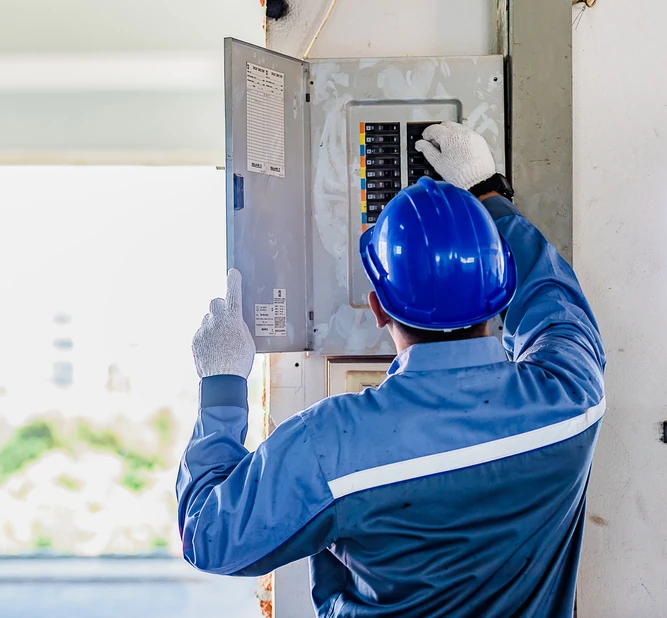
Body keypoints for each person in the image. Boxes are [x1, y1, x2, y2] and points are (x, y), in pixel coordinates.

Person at [176, 121, 605, 617]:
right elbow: (555, 302)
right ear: (500, 290)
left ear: (378, 307)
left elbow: (208, 536)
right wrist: (486, 194)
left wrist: (222, 383)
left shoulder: (331, 444)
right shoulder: (571, 398)